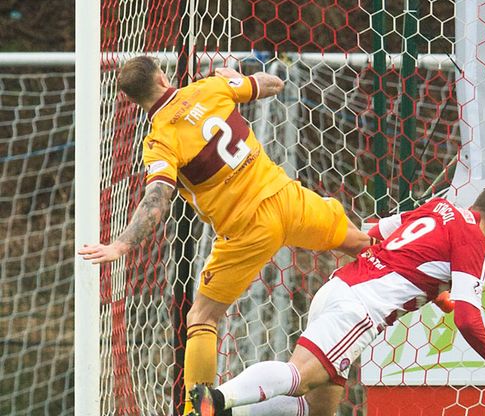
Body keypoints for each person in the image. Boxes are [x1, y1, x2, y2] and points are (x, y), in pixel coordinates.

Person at [77, 56, 370, 414]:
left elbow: (156, 201)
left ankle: (194, 408)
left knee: (202, 316)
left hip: (246, 229)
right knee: (361, 245)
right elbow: (272, 85)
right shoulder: (209, 88)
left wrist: (121, 244)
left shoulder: (160, 141)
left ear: (130, 99)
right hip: (287, 199)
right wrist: (238, 78)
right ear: (162, 75)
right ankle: (430, 282)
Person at [190, 186, 485, 416]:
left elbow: (374, 232)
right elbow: (467, 316)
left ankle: (224, 407)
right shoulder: (475, 240)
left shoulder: (439, 208)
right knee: (299, 377)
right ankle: (216, 400)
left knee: (314, 407)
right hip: (360, 310)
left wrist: (435, 293)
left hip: (339, 287)